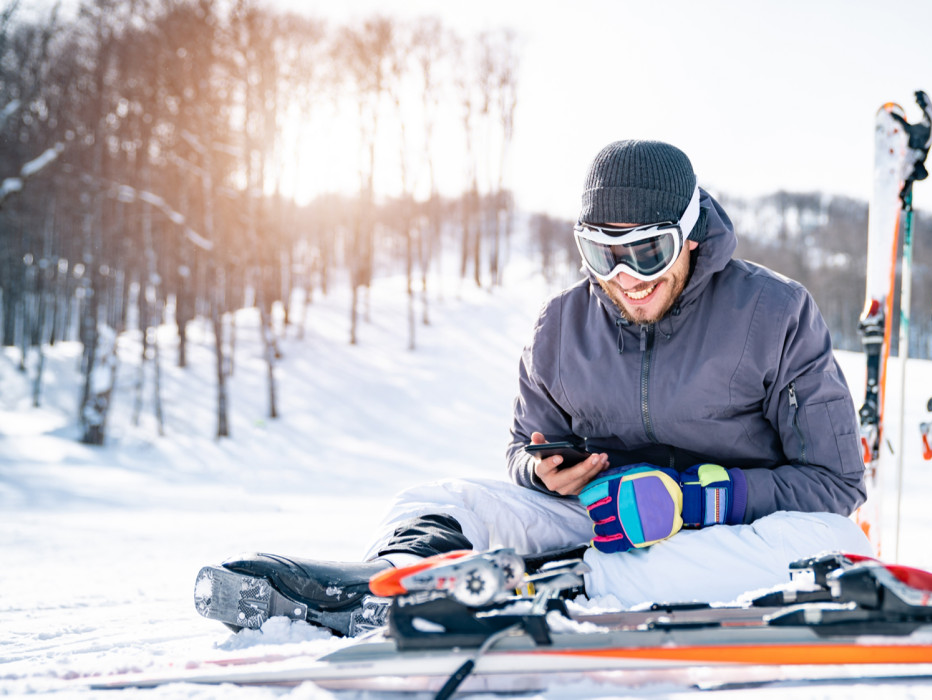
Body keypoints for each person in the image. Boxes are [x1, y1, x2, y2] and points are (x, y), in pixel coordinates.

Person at [209, 140, 867, 634]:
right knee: (440, 496)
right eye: (602, 255)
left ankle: (527, 590)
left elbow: (834, 486)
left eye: (648, 252)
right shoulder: (560, 327)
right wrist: (539, 471)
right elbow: (523, 449)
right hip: (603, 520)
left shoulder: (774, 313)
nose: (626, 277)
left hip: (725, 533)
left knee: (840, 546)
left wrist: (697, 501)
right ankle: (386, 587)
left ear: (690, 236)